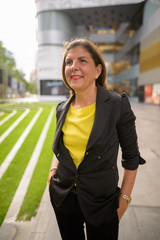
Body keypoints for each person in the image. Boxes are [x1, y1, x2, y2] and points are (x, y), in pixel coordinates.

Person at [48, 38, 146, 240]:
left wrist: (124, 199)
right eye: (69, 62)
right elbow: (61, 148)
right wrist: (53, 172)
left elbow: (131, 157)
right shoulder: (61, 109)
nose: (74, 67)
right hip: (64, 198)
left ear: (98, 70)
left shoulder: (117, 105)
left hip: (102, 203)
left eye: (82, 60)